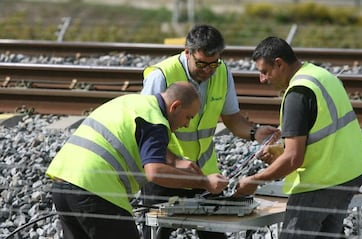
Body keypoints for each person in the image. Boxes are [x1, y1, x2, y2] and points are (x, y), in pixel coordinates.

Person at [139, 24, 278, 239]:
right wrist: (175, 162)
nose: (208, 70)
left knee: (214, 233)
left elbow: (232, 118)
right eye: (202, 63)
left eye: (213, 64)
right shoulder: (162, 76)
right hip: (166, 173)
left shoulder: (222, 73)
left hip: (204, 173)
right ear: (187, 52)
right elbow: (144, 131)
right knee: (157, 234)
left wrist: (255, 133)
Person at [46, 82, 229, 239]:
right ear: (175, 106)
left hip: (63, 183)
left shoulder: (134, 102)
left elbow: (138, 141)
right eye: (188, 117)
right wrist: (204, 182)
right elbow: (155, 172)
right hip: (95, 190)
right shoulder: (156, 122)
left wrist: (176, 161)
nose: (187, 124)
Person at [234, 36, 362, 239]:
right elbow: (323, 130)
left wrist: (255, 180)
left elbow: (293, 159)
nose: (262, 79)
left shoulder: (297, 94)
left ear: (279, 64)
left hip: (322, 180)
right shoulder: (319, 74)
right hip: (350, 173)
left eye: (264, 72)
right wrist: (281, 151)